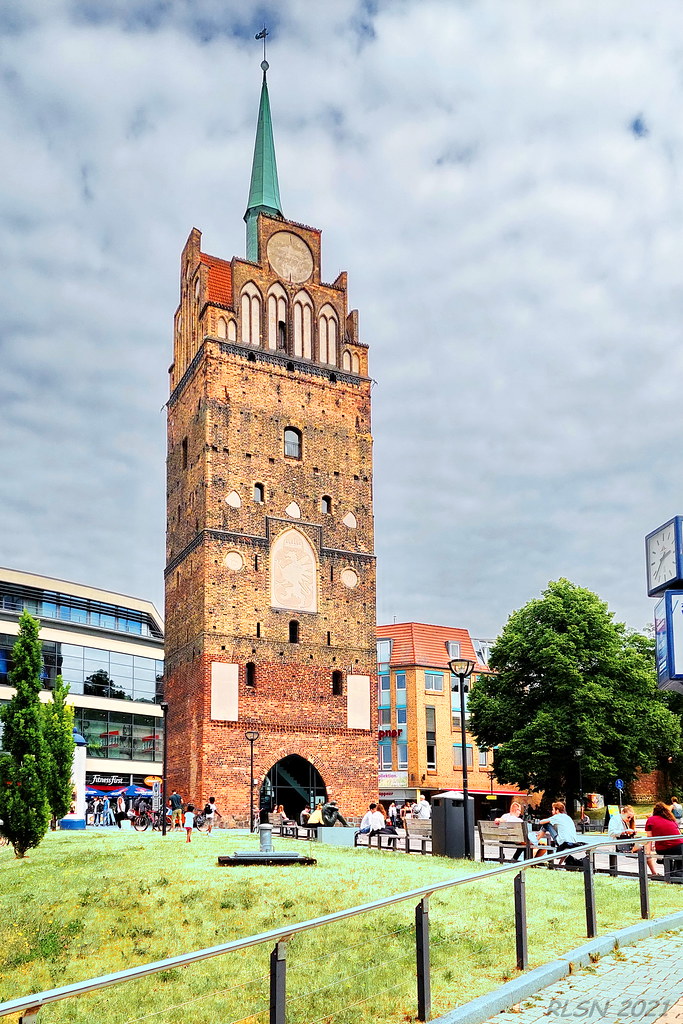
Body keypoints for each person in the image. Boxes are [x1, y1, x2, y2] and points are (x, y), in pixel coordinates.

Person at [645, 802, 683, 877]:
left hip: (663, 848)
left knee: (667, 856)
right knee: (680, 863)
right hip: (679, 846)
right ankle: (677, 875)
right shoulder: (671, 819)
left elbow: (649, 836)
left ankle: (669, 876)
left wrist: (648, 850)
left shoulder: (651, 819)